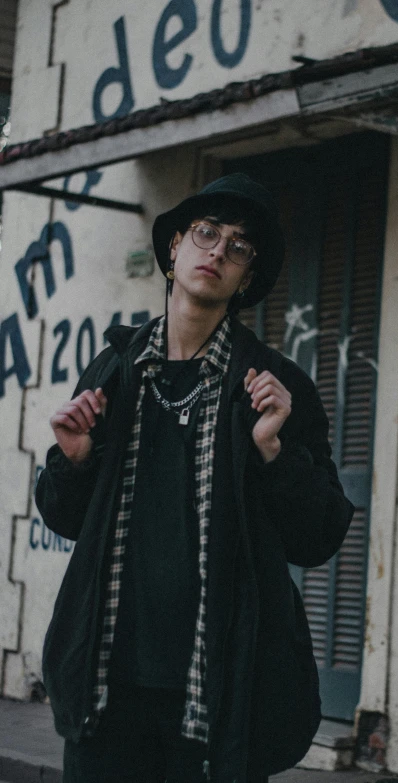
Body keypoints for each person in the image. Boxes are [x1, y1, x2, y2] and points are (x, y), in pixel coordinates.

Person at [36, 173, 354, 783]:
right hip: (107, 687)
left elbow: (319, 536)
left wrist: (273, 452)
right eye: (206, 233)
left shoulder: (275, 389)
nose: (217, 251)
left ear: (248, 279)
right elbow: (65, 517)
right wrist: (73, 460)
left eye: (238, 247)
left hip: (219, 693)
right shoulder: (114, 371)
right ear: (174, 247)